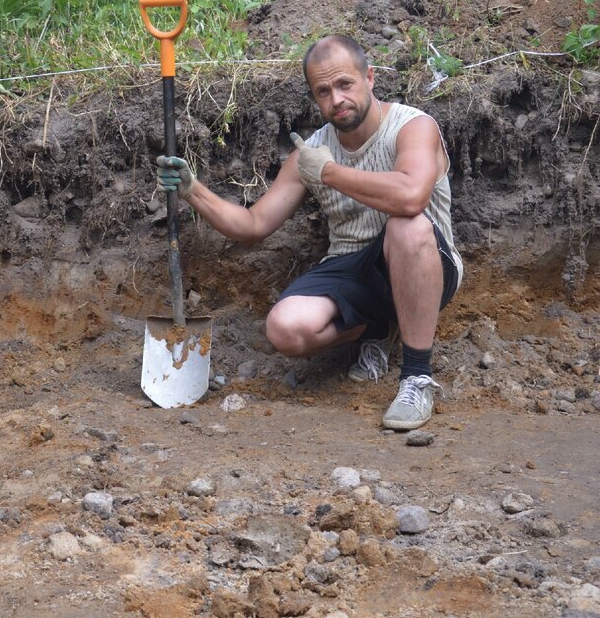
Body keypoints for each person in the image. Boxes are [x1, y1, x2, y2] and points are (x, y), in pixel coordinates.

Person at [156, 35, 462, 429]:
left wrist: (330, 173)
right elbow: (253, 225)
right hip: (352, 269)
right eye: (323, 91)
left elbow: (410, 198)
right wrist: (192, 190)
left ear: (369, 78)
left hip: (425, 261)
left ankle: (416, 377)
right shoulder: (312, 152)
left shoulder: (412, 127)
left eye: (345, 84)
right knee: (285, 329)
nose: (336, 99)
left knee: (406, 226)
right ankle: (379, 328)